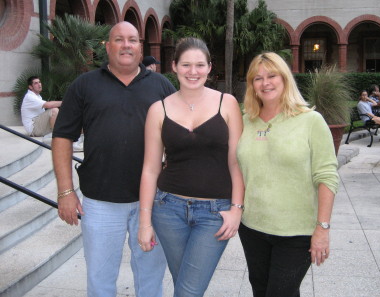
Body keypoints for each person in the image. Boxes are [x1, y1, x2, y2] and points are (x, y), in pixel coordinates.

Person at [52, 21, 176, 297]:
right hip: (100, 203)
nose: (126, 45)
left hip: (152, 202)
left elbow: (180, 139)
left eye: (132, 40)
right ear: (107, 47)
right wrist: (65, 192)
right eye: (118, 39)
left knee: (151, 278)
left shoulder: (161, 86)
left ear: (140, 47)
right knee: (100, 278)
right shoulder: (84, 85)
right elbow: (62, 137)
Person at [138, 37, 245, 296]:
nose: (193, 72)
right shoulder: (158, 109)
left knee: (187, 291)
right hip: (167, 210)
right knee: (184, 285)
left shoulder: (227, 103)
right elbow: (150, 169)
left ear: (209, 67)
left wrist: (236, 209)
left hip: (215, 213)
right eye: (186, 65)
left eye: (199, 65)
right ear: (174, 66)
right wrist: (144, 221)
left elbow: (237, 161)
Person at [236, 52, 339, 297]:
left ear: (285, 79)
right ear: (251, 85)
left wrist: (322, 229)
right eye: (257, 78)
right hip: (252, 227)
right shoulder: (244, 122)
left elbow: (327, 176)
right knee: (261, 290)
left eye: (272, 76)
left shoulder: (310, 121)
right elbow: (236, 168)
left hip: (297, 232)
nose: (265, 83)